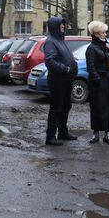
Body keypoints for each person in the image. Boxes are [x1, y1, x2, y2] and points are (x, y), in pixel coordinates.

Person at [43, 17, 79, 146]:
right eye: (61, 25)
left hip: (66, 79)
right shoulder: (50, 42)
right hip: (57, 80)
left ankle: (63, 132)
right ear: (54, 26)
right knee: (56, 108)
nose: (63, 27)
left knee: (65, 106)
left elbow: (66, 57)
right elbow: (50, 61)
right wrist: (65, 69)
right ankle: (50, 136)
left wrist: (73, 66)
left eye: (64, 24)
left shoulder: (60, 40)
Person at [86, 20, 109, 144]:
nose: (105, 34)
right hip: (98, 82)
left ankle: (107, 132)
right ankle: (95, 133)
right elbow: (91, 67)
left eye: (105, 32)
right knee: (97, 107)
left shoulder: (106, 46)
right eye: (103, 33)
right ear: (96, 34)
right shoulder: (91, 48)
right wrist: (98, 80)